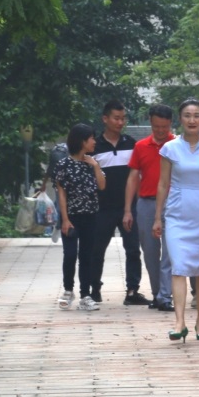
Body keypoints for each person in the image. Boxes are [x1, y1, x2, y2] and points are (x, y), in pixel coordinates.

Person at [153, 99, 199, 342]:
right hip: (176, 212)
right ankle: (179, 321)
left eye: (196, 115)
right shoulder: (170, 148)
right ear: (180, 119)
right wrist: (158, 216)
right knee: (178, 266)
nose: (192, 120)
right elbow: (163, 183)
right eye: (187, 115)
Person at [92, 100, 148, 306]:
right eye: (116, 118)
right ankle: (94, 289)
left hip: (129, 207)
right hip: (102, 208)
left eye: (123, 118)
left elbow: (138, 175)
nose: (120, 122)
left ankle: (132, 290)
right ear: (105, 119)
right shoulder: (94, 147)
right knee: (97, 250)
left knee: (133, 249)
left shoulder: (132, 144)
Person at [124, 104, 176, 312]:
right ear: (151, 123)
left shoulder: (177, 145)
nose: (160, 131)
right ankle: (157, 293)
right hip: (146, 203)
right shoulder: (141, 146)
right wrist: (128, 210)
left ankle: (165, 295)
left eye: (164, 127)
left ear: (171, 123)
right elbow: (132, 178)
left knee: (170, 252)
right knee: (150, 252)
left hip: (172, 203)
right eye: (156, 127)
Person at [53, 123, 106, 311]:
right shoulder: (63, 165)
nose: (94, 142)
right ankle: (68, 290)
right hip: (71, 217)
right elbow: (61, 194)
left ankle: (85, 295)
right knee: (70, 255)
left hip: (90, 216)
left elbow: (102, 186)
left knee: (86, 256)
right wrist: (65, 219)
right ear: (82, 141)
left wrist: (95, 166)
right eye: (91, 138)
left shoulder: (92, 163)